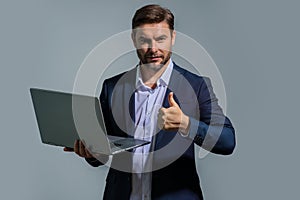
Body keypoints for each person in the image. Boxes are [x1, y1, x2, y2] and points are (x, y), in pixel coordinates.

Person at [64, 4, 235, 200]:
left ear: (173, 38)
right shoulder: (113, 87)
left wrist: (186, 124)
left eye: (161, 39)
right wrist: (91, 153)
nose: (153, 49)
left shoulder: (196, 86)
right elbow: (105, 148)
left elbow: (227, 141)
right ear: (133, 39)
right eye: (144, 40)